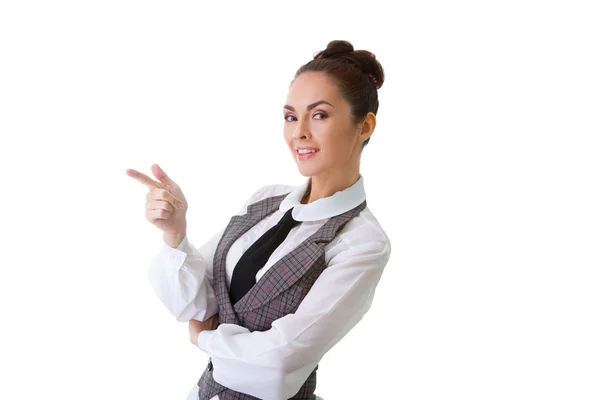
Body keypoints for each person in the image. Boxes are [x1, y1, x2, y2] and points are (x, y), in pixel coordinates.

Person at [126, 39, 391, 400]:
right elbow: (195, 302)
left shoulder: (361, 242)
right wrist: (175, 233)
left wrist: (205, 337)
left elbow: (282, 360)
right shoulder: (266, 200)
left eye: (320, 115)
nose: (299, 132)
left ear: (365, 126)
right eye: (290, 116)